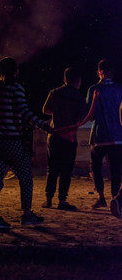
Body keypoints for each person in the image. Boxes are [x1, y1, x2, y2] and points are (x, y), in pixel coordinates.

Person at [0, 57, 52, 230]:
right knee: (25, 178)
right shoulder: (16, 88)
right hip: (13, 142)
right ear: (15, 71)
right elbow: (25, 112)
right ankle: (27, 214)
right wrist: (44, 126)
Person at [41, 68, 86, 210]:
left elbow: (45, 110)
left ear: (65, 79)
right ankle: (62, 200)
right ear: (78, 81)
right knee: (66, 169)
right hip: (70, 137)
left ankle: (48, 199)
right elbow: (82, 118)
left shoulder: (55, 92)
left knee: (52, 168)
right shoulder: (79, 97)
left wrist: (58, 112)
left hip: (54, 135)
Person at [84, 59, 122, 210]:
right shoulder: (120, 89)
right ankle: (116, 199)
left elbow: (90, 114)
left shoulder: (93, 89)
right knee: (116, 169)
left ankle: (101, 198)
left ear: (99, 72)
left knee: (96, 167)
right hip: (118, 136)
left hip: (99, 136)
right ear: (112, 72)